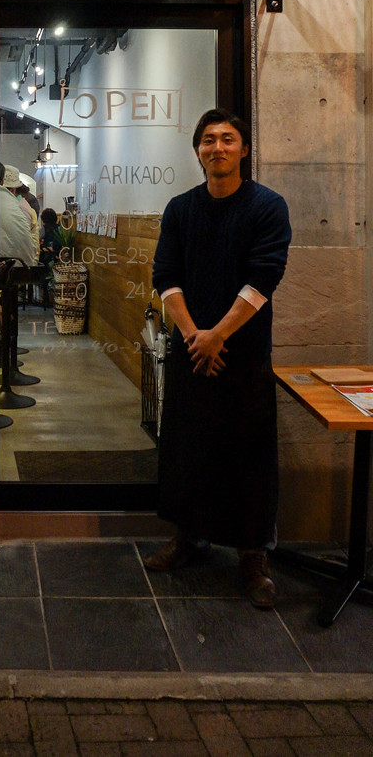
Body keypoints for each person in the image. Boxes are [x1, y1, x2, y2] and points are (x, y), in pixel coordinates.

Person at [144, 107, 291, 610]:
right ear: (198, 151)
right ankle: (189, 537)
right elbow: (165, 275)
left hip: (244, 352)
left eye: (228, 139)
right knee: (187, 445)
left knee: (249, 452)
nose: (217, 147)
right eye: (208, 140)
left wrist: (219, 335)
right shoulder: (180, 209)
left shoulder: (267, 206)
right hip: (191, 350)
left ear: (244, 149)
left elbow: (264, 277)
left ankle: (253, 555)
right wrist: (195, 336)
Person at [2, 165, 39, 263]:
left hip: (19, 262)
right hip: (23, 261)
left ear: (12, 190)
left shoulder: (19, 208)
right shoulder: (23, 206)